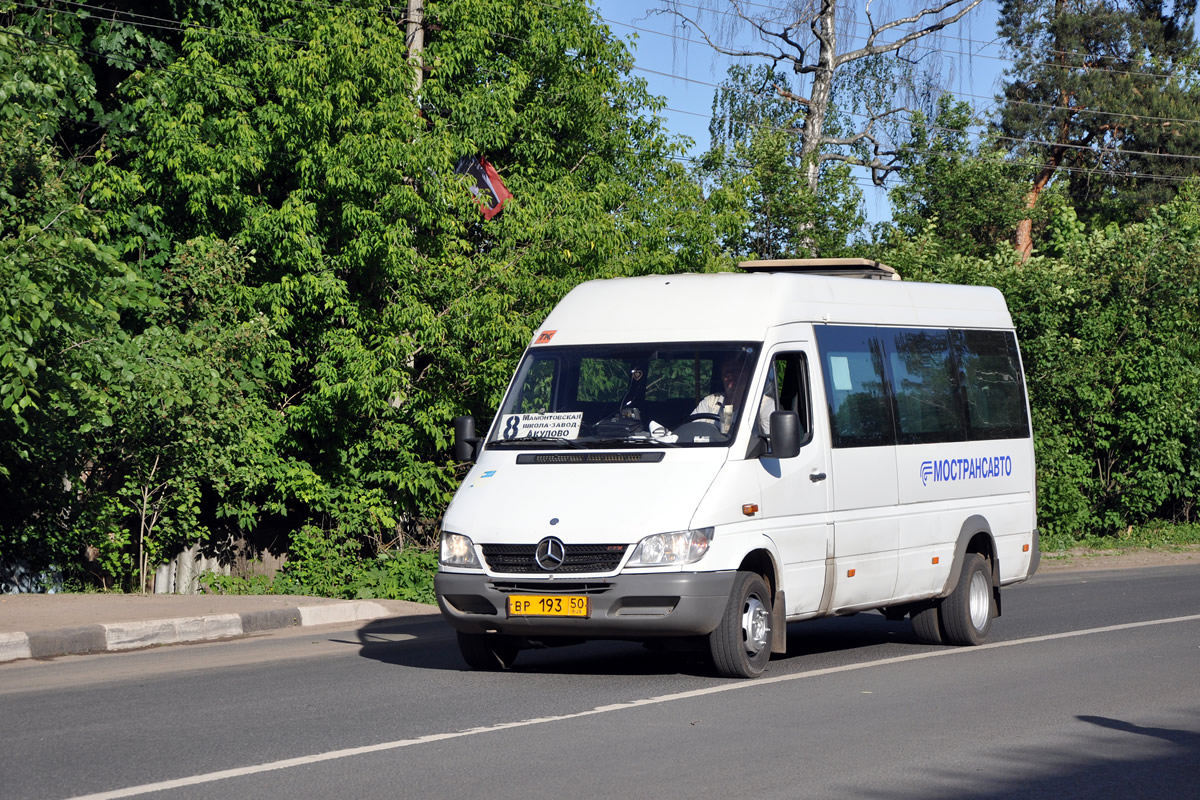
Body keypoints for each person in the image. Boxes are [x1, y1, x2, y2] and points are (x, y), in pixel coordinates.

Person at [692, 355, 775, 434]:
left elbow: (771, 444)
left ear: (749, 374)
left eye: (737, 371)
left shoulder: (765, 405)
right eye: (727, 372)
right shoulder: (710, 402)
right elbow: (691, 430)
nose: (730, 375)